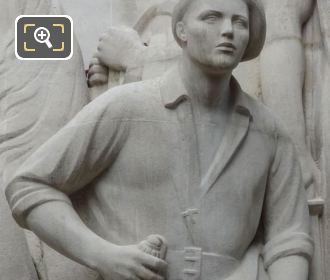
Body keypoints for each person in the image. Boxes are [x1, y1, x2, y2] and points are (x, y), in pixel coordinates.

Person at [5, 0, 313, 279]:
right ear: (181, 31)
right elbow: (28, 185)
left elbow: (289, 239)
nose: (228, 31)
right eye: (212, 18)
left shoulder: (270, 133)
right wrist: (103, 256)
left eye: (240, 23)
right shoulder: (124, 108)